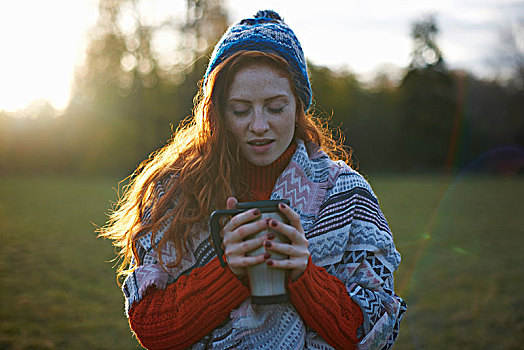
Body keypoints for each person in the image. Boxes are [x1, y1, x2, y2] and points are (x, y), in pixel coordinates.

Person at [100, 10, 406, 350]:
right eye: (241, 110)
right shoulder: (175, 190)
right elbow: (152, 327)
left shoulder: (345, 193)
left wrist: (303, 274)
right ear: (216, 112)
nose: (258, 125)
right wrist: (229, 271)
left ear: (298, 106)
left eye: (275, 107)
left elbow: (375, 331)